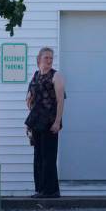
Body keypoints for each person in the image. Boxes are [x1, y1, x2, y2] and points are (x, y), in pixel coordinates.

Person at [25, 47, 65, 199]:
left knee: (49, 156)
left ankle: (51, 190)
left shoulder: (56, 76)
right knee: (38, 156)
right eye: (46, 58)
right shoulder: (36, 76)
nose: (49, 61)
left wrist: (57, 121)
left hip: (50, 121)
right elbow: (30, 96)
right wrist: (29, 98)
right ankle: (40, 189)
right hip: (36, 121)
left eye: (51, 58)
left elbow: (61, 100)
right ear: (39, 59)